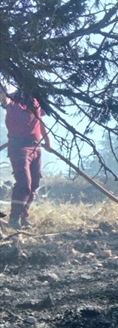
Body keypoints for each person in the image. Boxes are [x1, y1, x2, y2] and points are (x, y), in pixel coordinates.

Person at [0, 88, 51, 229]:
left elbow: (40, 121)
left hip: (36, 147)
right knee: (24, 183)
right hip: (18, 147)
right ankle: (14, 218)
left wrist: (47, 141)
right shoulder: (12, 99)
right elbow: (3, 98)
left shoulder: (36, 99)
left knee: (34, 184)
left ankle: (23, 216)